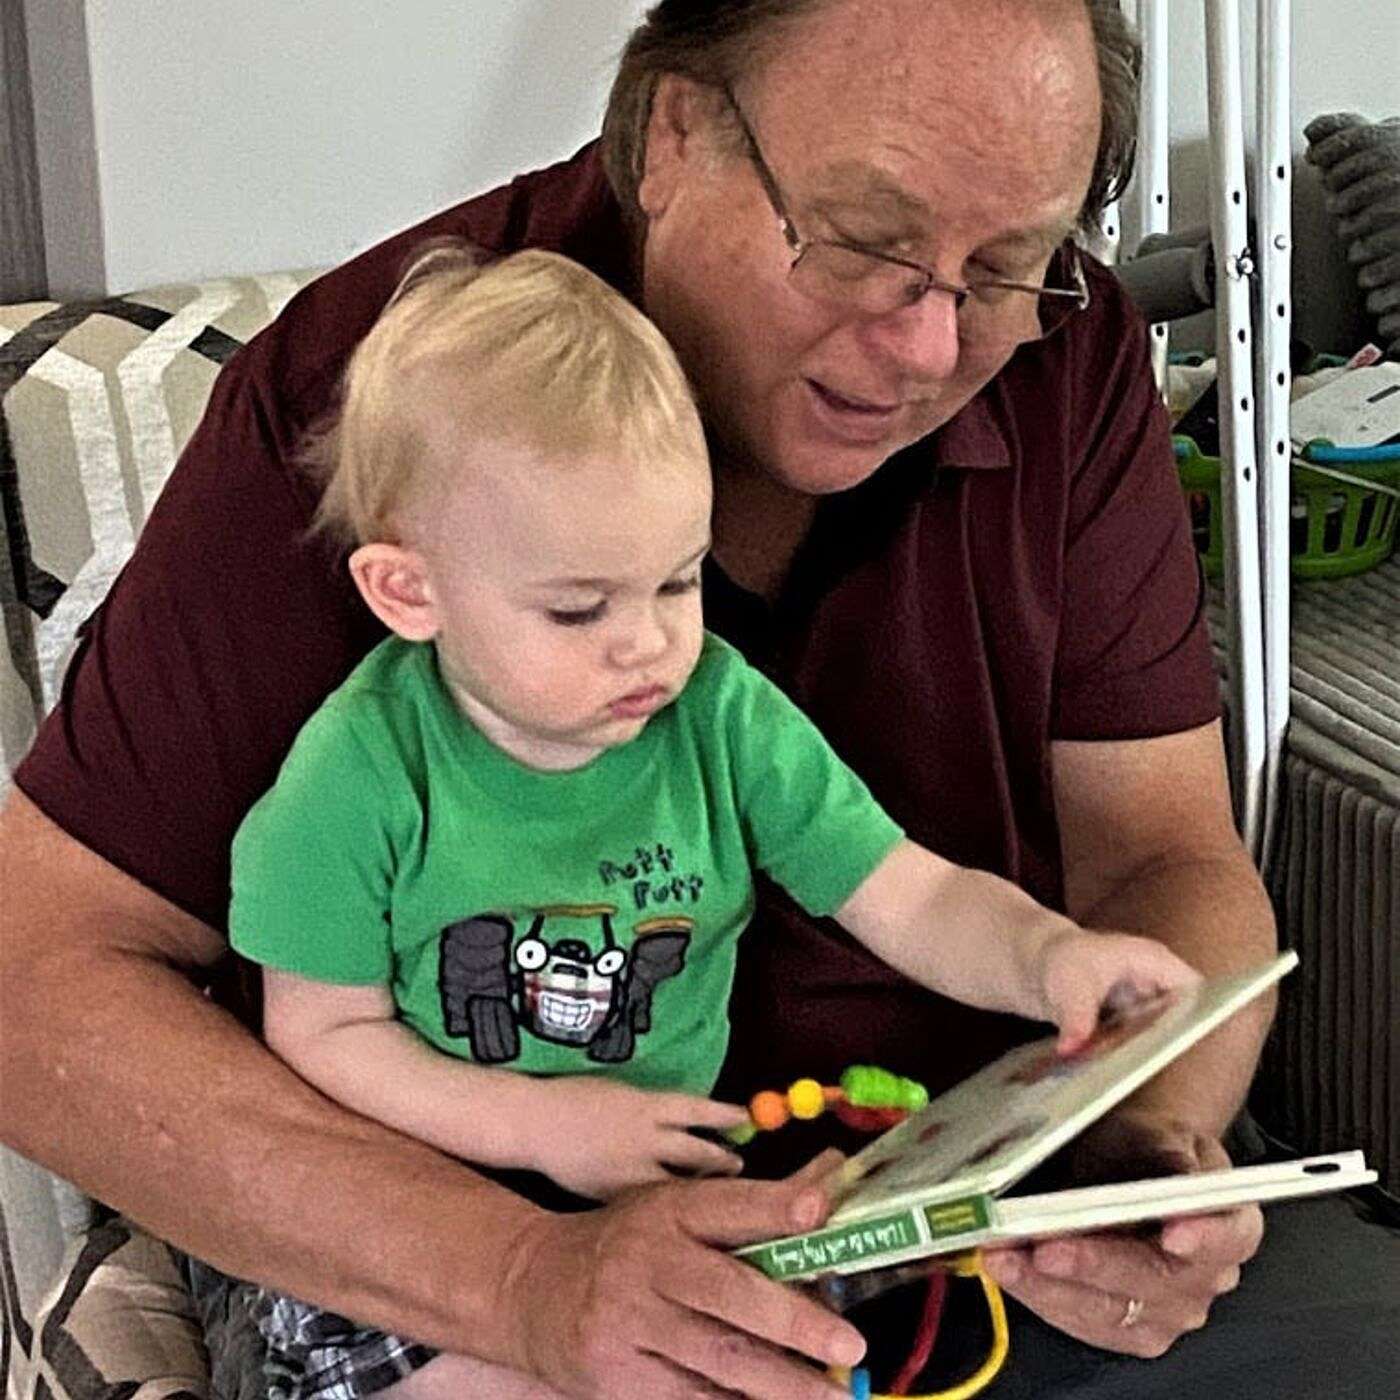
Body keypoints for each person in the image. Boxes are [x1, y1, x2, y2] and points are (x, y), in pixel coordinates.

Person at [0, 1, 1394, 1397]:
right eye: (863, 238)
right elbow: (37, 979)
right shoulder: (386, 410)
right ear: (674, 134)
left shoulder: (1059, 362)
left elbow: (1163, 862)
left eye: (1006, 267)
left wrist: (1136, 1153)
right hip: (457, 1222)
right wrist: (523, 1282)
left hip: (915, 1198)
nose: (927, 344)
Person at [198, 241, 1201, 1399]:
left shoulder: (713, 707)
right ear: (408, 592)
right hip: (420, 1228)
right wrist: (540, 1123)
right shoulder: (358, 773)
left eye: (676, 580)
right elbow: (322, 1039)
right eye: (579, 607)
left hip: (652, 1210)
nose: (648, 642)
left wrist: (1048, 959)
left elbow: (907, 891)